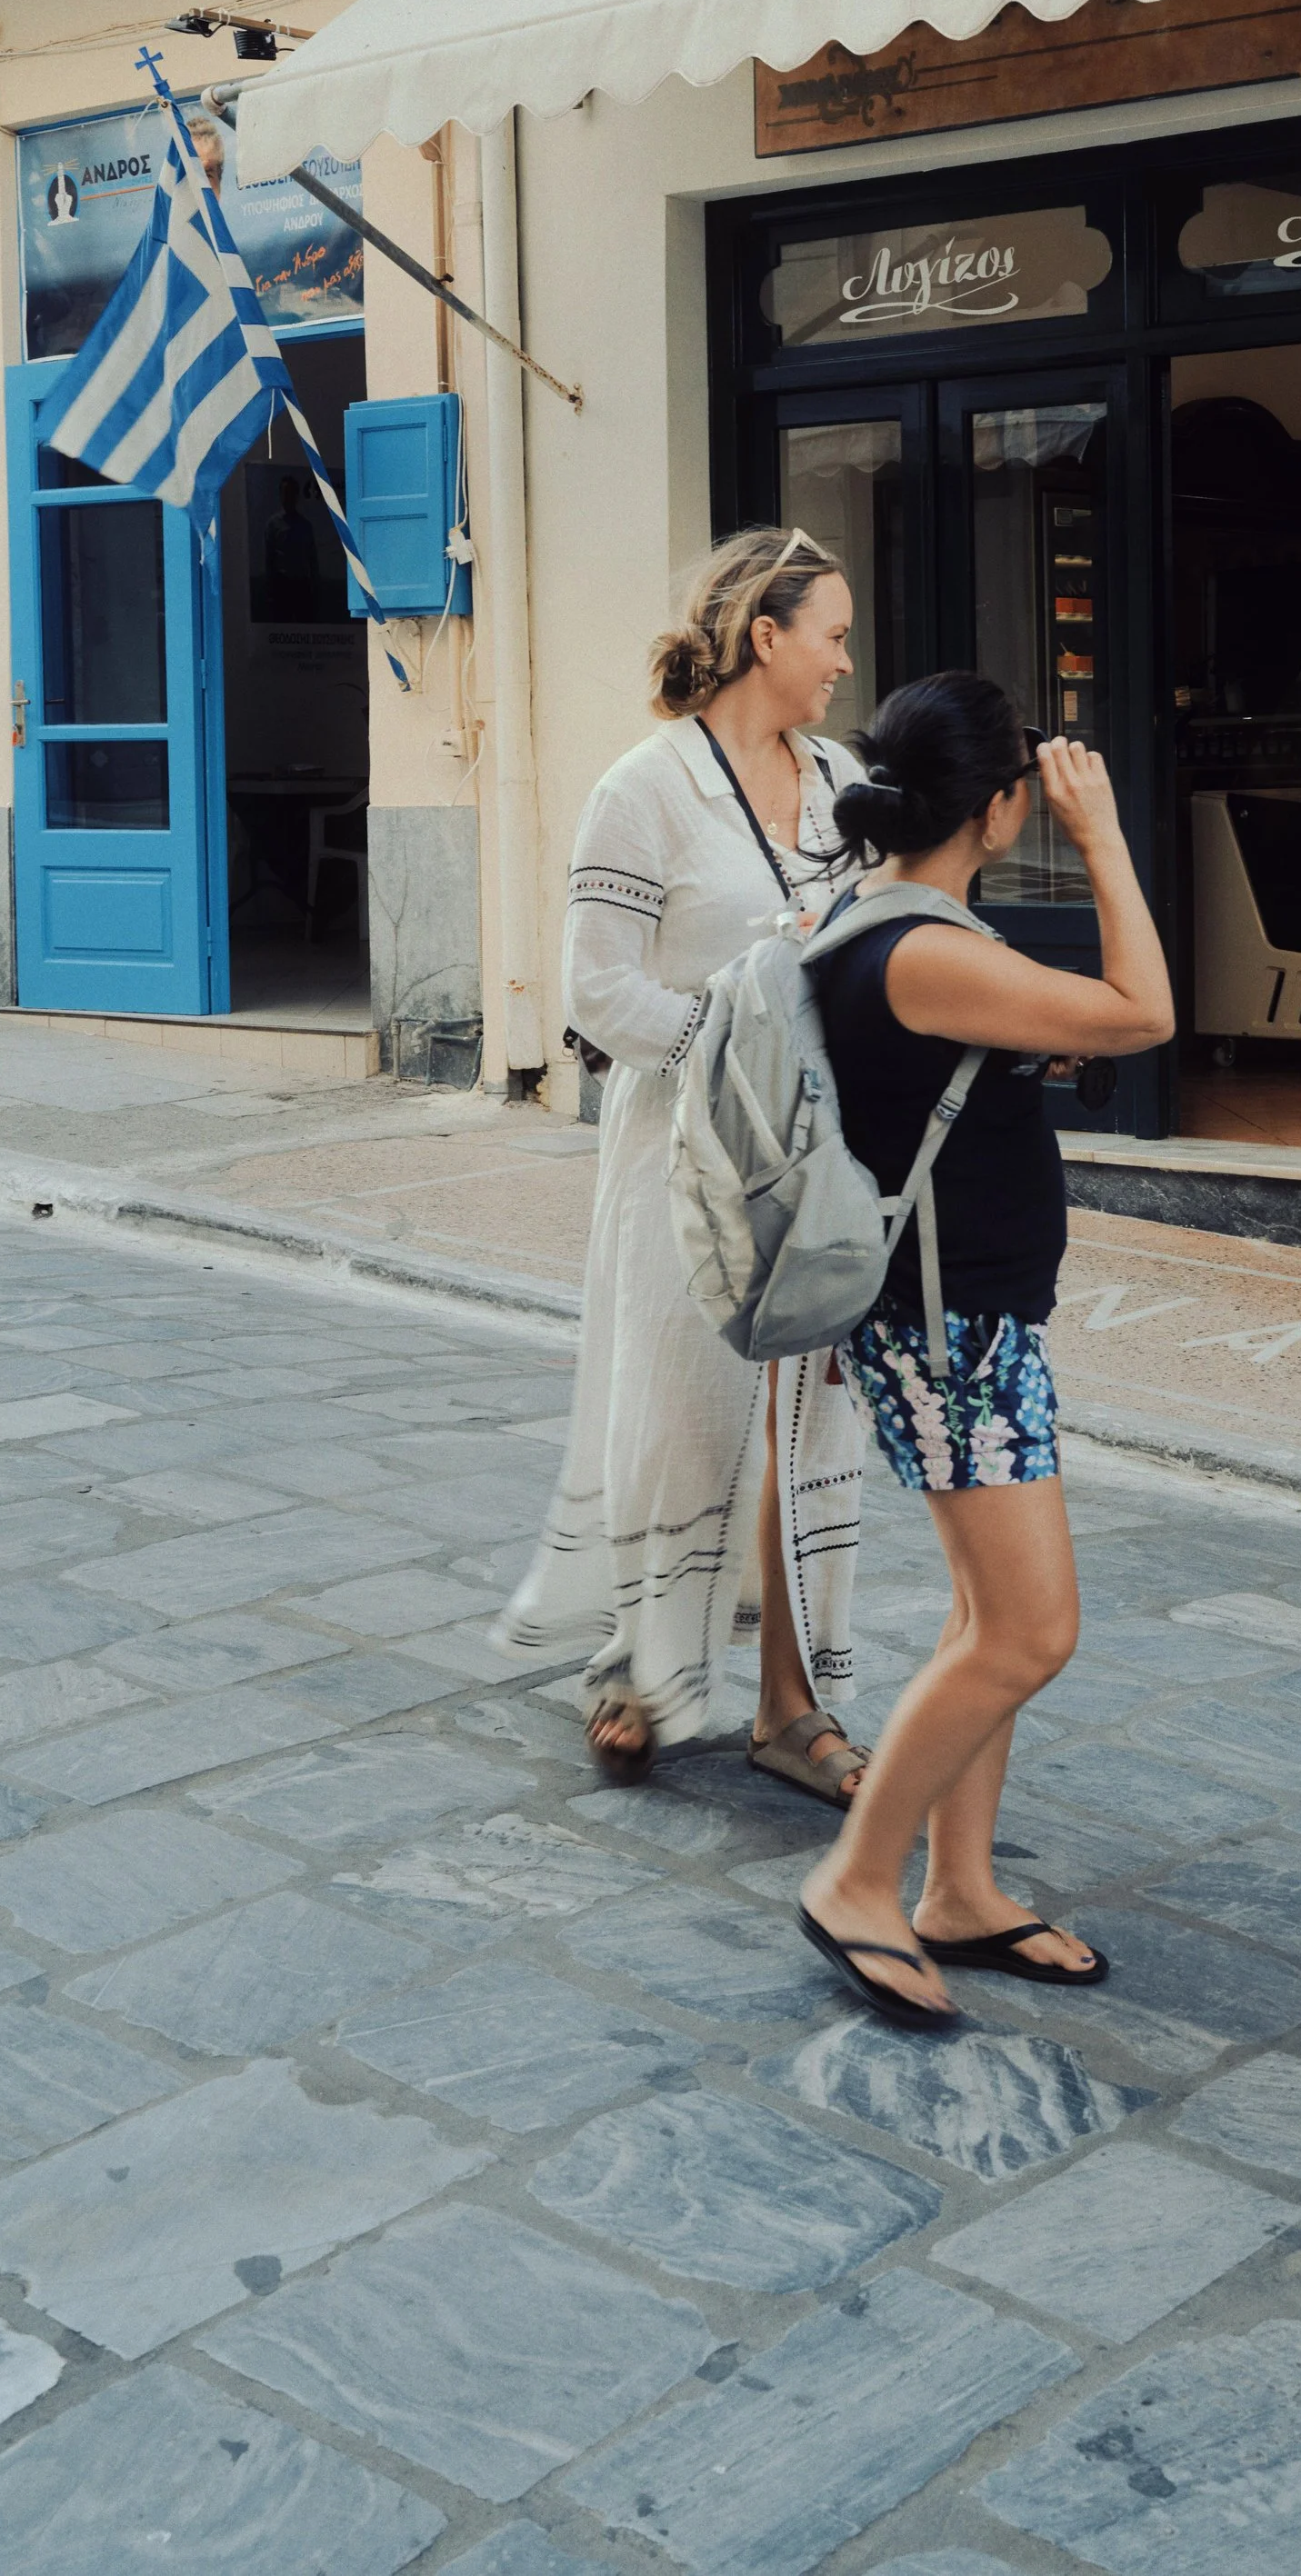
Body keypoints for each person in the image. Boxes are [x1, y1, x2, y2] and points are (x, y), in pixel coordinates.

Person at [795, 676, 1173, 2029]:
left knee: (981, 1618)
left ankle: (957, 1887)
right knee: (1029, 1628)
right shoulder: (919, 946)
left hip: (960, 1319)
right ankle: (857, 1877)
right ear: (1003, 802)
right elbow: (1143, 1011)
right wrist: (1109, 835)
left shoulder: (894, 922)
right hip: (951, 1333)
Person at [496, 527, 868, 1790]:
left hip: (817, 1152)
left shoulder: (839, 778)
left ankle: (795, 1693)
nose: (845, 658)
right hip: (683, 1146)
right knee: (680, 1405)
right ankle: (636, 1662)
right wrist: (738, 1045)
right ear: (766, 636)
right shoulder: (643, 787)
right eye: (832, 632)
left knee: (814, 1411)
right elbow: (598, 990)